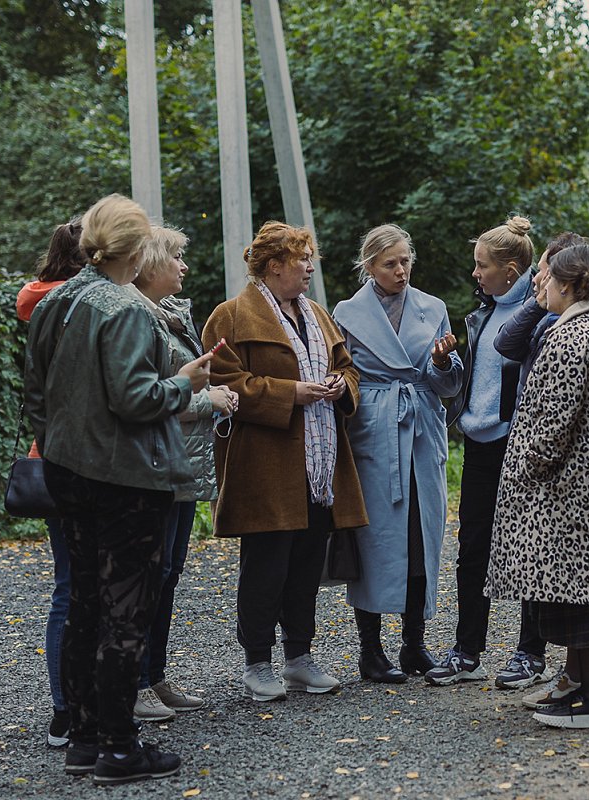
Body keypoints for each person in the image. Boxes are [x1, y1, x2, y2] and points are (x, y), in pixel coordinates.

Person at [24, 194, 212, 783]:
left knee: (83, 604)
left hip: (67, 472)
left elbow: (35, 395)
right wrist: (183, 383)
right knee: (125, 612)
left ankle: (83, 740)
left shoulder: (58, 300)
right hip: (126, 478)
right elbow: (137, 399)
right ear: (136, 249)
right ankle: (121, 748)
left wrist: (59, 448)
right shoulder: (125, 308)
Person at [484, 243, 589, 730]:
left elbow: (552, 426)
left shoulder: (570, 338)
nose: (543, 286)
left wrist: (524, 471)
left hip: (575, 492)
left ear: (571, 284)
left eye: (549, 279)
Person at [202, 221, 368, 702]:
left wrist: (342, 386)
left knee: (306, 563)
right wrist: (288, 393)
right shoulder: (230, 317)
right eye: (303, 260)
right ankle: (257, 664)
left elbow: (347, 365)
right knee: (266, 566)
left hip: (320, 463)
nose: (310, 267)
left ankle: (299, 658)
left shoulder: (317, 313)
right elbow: (223, 384)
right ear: (275, 266)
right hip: (266, 466)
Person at [331, 224, 463, 683]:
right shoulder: (346, 312)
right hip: (374, 432)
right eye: (390, 263)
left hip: (421, 431)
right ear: (369, 266)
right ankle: (370, 649)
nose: (401, 270)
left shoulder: (434, 308)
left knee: (420, 534)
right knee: (375, 539)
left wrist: (444, 361)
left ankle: (414, 644)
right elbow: (342, 376)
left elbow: (446, 386)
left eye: (406, 260)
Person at [126, 226, 237, 721]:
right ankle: (135, 684)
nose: (184, 267)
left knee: (168, 575)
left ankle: (155, 676)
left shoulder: (172, 313)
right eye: (176, 258)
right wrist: (205, 398)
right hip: (157, 463)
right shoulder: (137, 316)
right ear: (150, 263)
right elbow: (143, 397)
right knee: (149, 577)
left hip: (182, 463)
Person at [431, 216, 545, 689]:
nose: (475, 274)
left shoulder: (542, 313)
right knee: (472, 551)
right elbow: (470, 383)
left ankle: (530, 654)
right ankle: (466, 650)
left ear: (512, 271)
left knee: (527, 549)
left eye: (482, 266)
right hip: (477, 445)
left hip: (517, 446)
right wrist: (446, 363)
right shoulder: (480, 314)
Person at [490, 231, 589, 707]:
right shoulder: (548, 315)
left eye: (549, 270)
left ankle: (560, 665)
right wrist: (537, 299)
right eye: (541, 269)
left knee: (556, 564)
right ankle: (551, 662)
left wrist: (530, 462)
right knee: (538, 558)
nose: (540, 276)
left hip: (553, 461)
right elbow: (505, 342)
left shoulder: (573, 328)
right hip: (532, 445)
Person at [14, 219, 81, 748]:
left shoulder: (36, 302)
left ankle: (66, 707)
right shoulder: (84, 304)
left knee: (68, 585)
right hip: (83, 457)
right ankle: (76, 707)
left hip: (50, 452)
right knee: (85, 588)